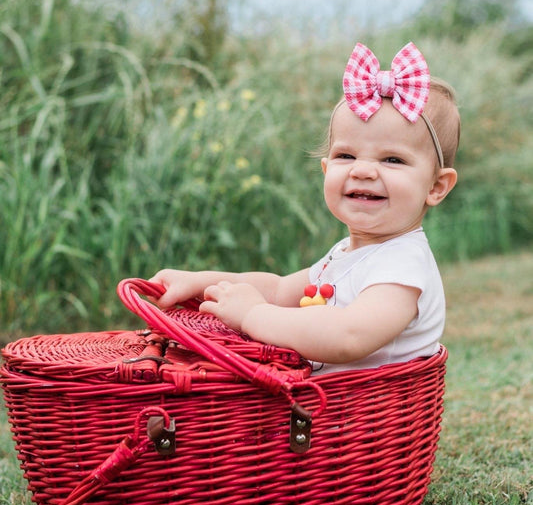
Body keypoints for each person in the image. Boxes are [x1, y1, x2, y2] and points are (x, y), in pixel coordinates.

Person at [150, 41, 460, 374]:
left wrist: (254, 315)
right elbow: (279, 289)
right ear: (326, 170)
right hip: (329, 413)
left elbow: (349, 337)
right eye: (346, 156)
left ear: (436, 186)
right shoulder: (346, 253)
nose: (363, 170)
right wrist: (202, 282)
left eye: (393, 159)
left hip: (361, 420)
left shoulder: (401, 265)